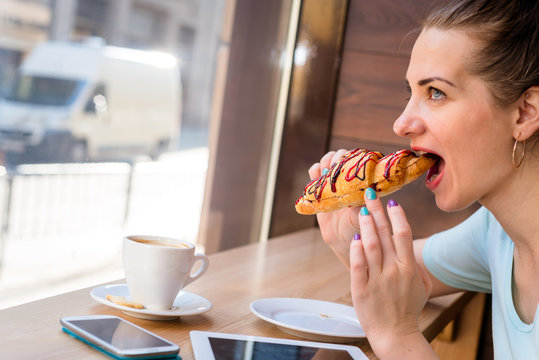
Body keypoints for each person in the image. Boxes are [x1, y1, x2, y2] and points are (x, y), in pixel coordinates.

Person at [307, 0, 539, 358]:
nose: (401, 124)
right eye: (410, 93)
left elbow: (397, 313)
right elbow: (407, 280)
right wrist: (350, 237)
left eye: (436, 92)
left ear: (524, 113)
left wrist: (398, 337)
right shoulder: (496, 233)